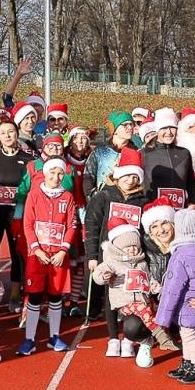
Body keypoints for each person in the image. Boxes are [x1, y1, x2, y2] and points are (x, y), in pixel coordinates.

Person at [85, 148, 154, 357]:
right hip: (109, 256)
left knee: (133, 296)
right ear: (118, 173)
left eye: (135, 176)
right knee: (111, 296)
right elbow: (92, 225)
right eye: (126, 174)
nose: (130, 179)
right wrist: (91, 257)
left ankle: (128, 338)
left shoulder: (142, 200)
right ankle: (113, 337)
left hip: (134, 258)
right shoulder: (104, 195)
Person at [16, 155, 80, 355]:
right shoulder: (34, 195)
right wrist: (36, 249)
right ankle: (29, 339)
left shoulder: (68, 197)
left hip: (58, 257)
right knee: (34, 297)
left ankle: (54, 336)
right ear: (45, 173)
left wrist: (63, 250)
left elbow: (72, 225)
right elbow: (27, 224)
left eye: (60, 172)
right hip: (38, 256)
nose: (57, 176)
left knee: (55, 297)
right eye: (53, 171)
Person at [155, 209, 195, 384]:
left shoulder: (180, 255)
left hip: (186, 304)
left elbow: (173, 287)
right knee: (188, 334)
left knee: (189, 336)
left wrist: (163, 316)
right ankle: (188, 363)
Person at [92, 224, 165, 368]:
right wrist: (104, 277)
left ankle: (146, 340)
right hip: (126, 304)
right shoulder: (112, 262)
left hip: (143, 303)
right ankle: (159, 334)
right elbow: (98, 274)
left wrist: (154, 286)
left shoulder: (142, 263)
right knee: (133, 325)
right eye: (128, 246)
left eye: (134, 246)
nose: (132, 249)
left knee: (148, 314)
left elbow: (148, 279)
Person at [0, 118, 33, 307]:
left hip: (18, 212)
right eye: (3, 133)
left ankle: (14, 294)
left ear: (17, 134)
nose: (7, 136)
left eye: (10, 132)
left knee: (16, 253)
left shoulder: (27, 159)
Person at [141, 108, 195, 208]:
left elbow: (191, 183)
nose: (169, 132)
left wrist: (193, 203)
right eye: (164, 128)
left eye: (172, 127)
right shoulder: (144, 153)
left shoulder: (184, 153)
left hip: (179, 210)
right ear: (157, 130)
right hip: (154, 211)